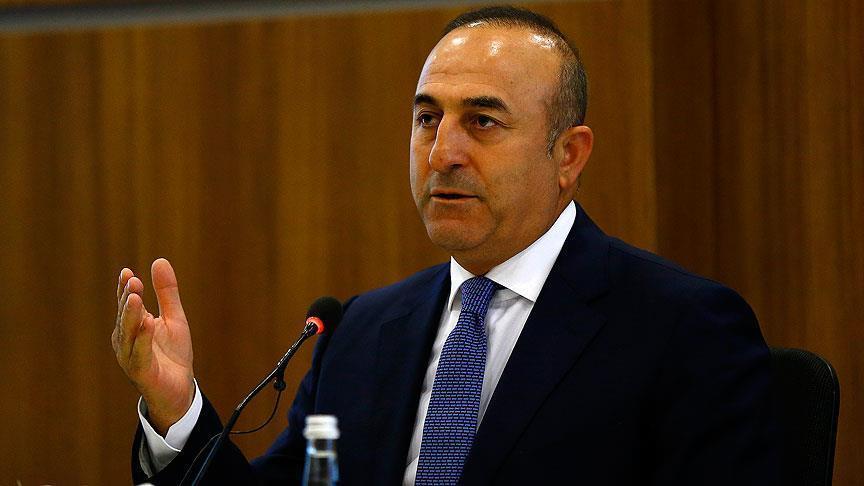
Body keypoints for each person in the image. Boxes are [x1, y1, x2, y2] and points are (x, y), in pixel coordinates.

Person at [113, 6, 778, 485]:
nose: (442, 153)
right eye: (428, 118)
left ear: (568, 155)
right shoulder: (361, 331)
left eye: (482, 121)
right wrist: (177, 410)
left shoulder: (682, 328)